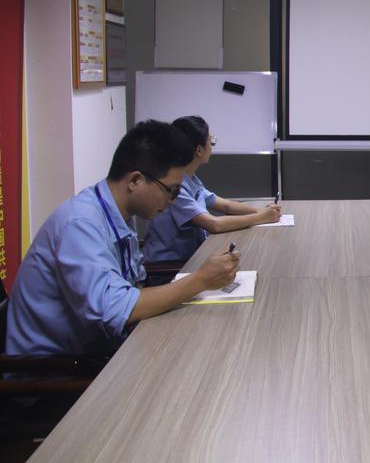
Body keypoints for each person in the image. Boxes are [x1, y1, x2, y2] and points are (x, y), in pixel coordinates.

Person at [5, 120, 241, 356]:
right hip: (56, 369)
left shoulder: (118, 213)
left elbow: (134, 284)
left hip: (100, 349)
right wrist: (201, 280)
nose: (171, 201)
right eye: (171, 190)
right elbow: (114, 310)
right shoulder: (80, 224)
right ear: (135, 181)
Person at [144, 116, 281, 264]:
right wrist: (261, 218)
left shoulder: (190, 179)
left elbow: (225, 205)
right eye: (211, 142)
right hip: (171, 267)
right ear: (199, 150)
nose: (212, 147)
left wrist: (262, 211)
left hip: (193, 257)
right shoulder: (174, 187)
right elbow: (214, 224)